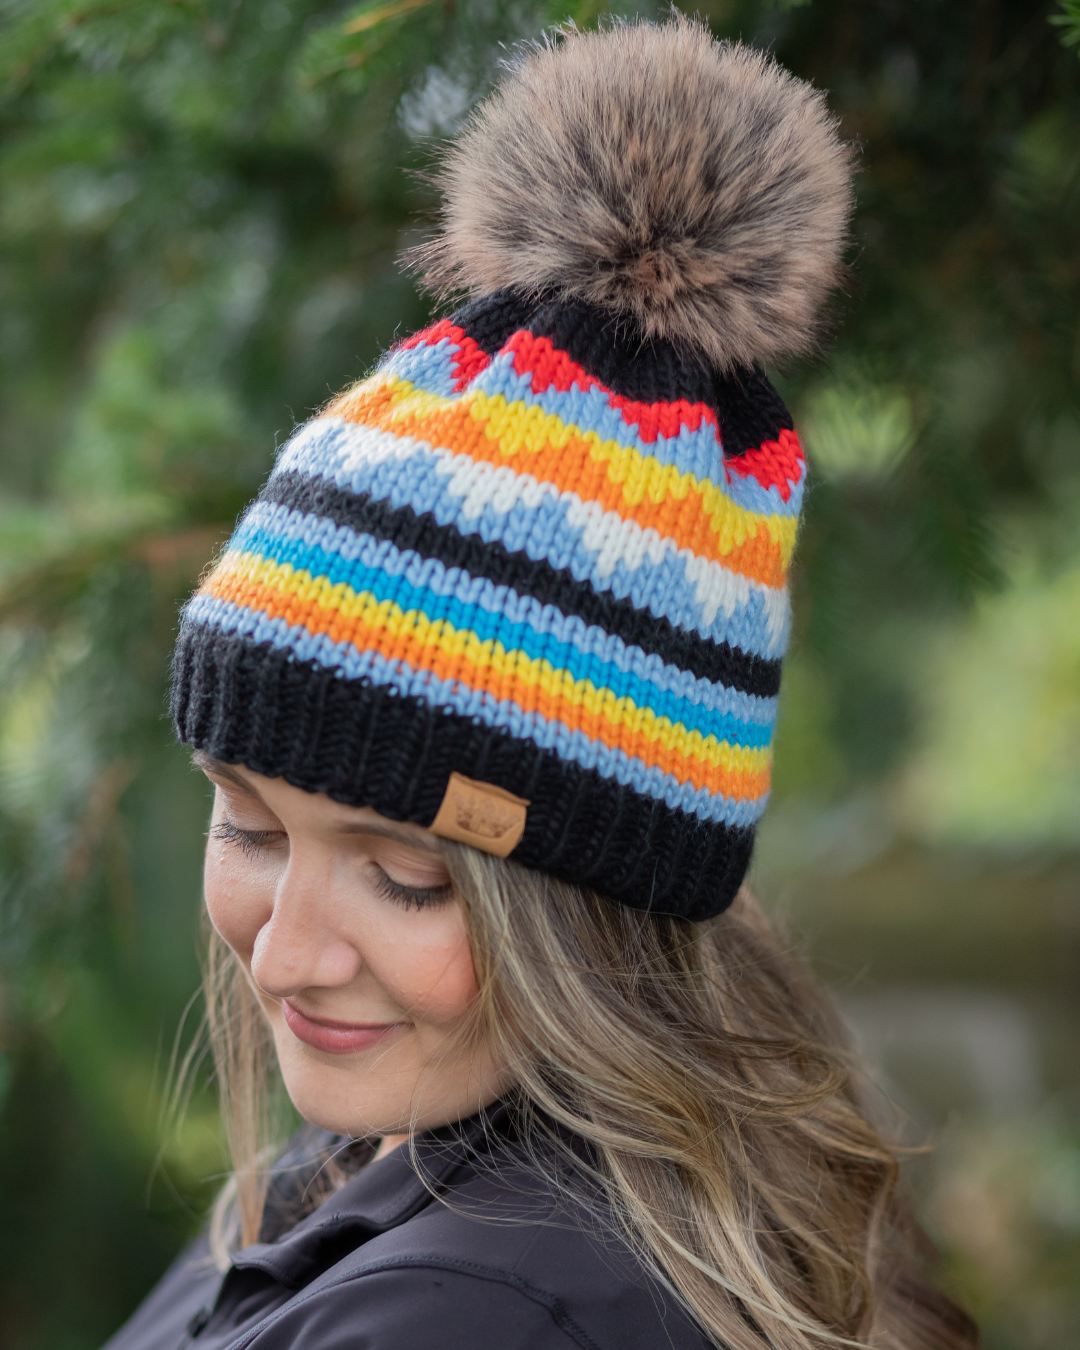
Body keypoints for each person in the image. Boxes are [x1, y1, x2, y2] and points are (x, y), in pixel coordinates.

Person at [106, 18, 979, 1350]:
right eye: (251, 822)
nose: (284, 950)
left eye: (407, 871)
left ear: (596, 912)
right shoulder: (353, 1173)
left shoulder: (470, 1312)